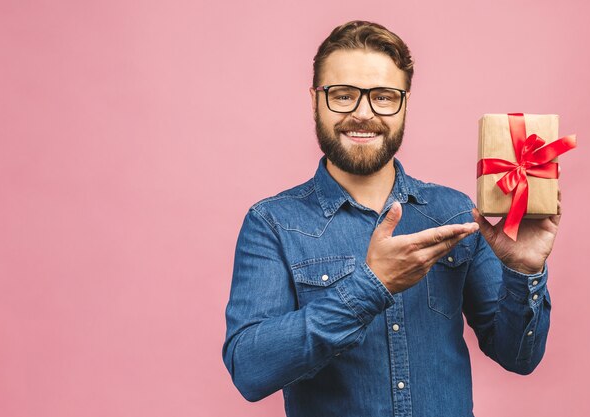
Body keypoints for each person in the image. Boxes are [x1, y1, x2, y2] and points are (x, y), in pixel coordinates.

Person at [222, 20, 559, 417]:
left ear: (404, 103)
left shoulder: (455, 213)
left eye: (383, 96)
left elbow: (519, 358)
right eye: (343, 95)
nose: (363, 113)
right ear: (314, 100)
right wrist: (370, 286)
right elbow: (249, 370)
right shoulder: (272, 223)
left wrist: (524, 272)